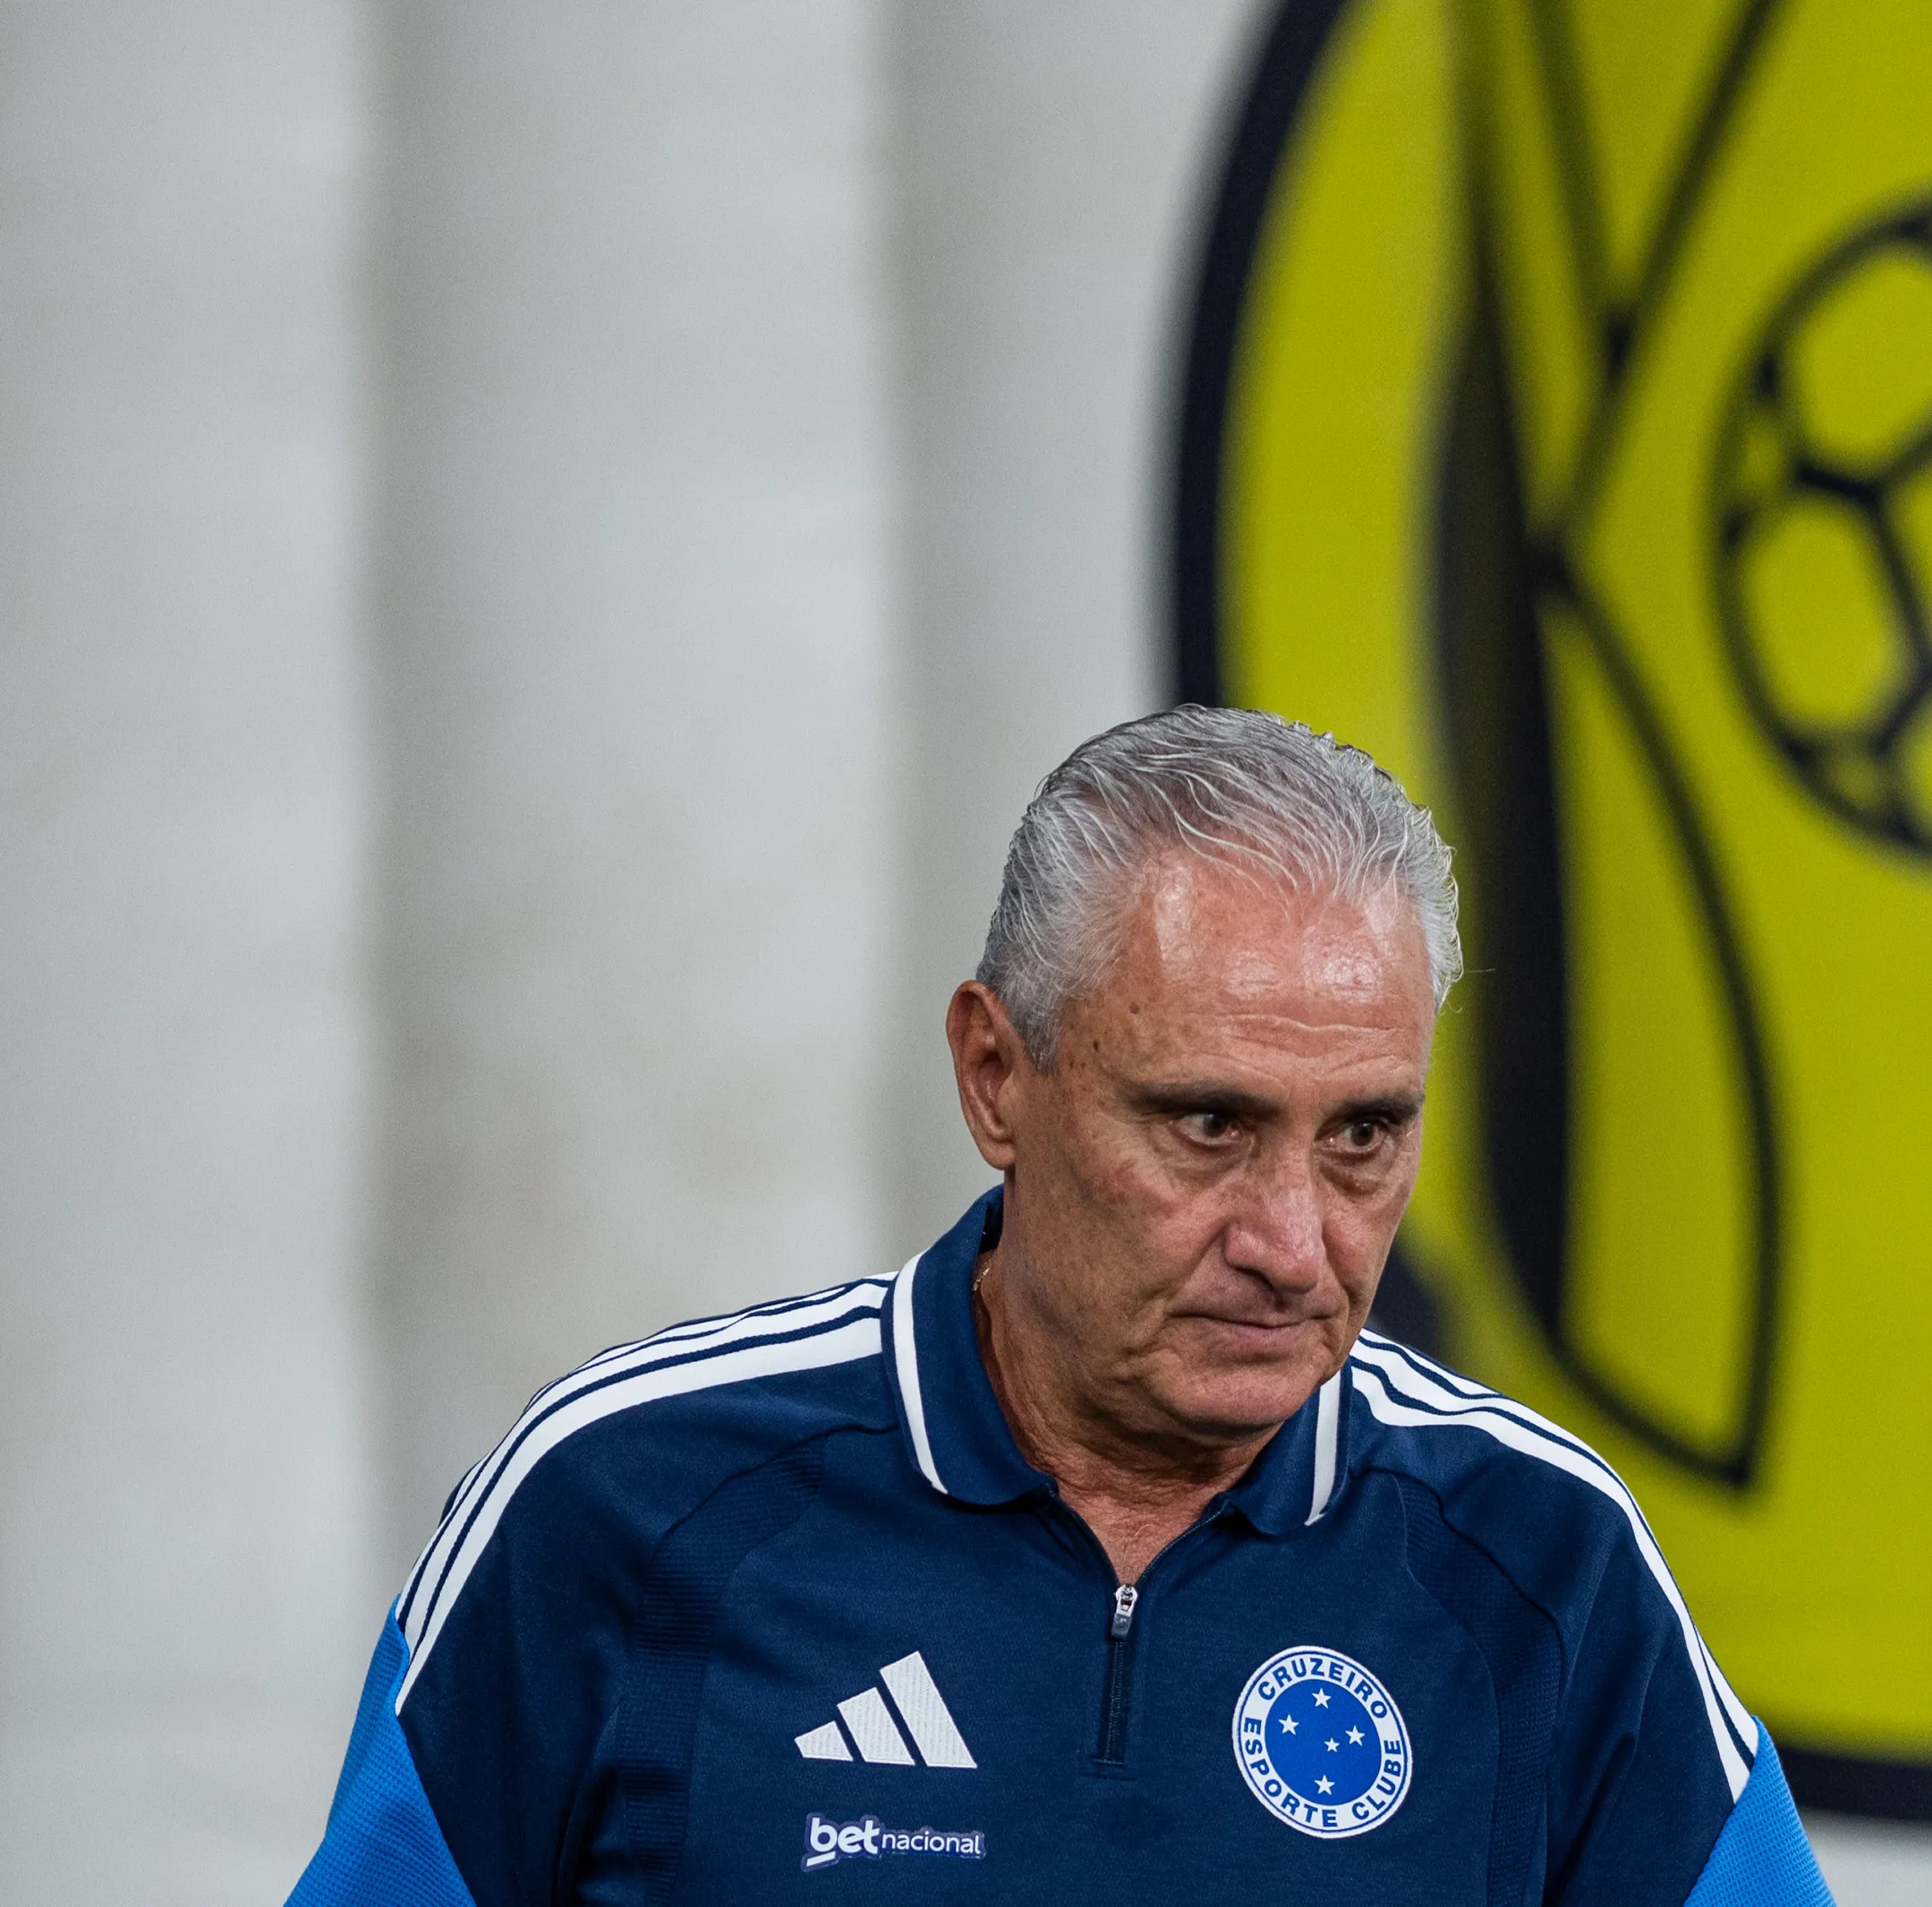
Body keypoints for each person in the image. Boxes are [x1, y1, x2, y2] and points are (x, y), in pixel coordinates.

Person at [286, 706, 1831, 1905]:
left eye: (1364, 1134)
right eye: (1208, 1124)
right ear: (995, 1076)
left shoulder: (1543, 1559)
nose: (1295, 1243)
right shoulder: (623, 1502)